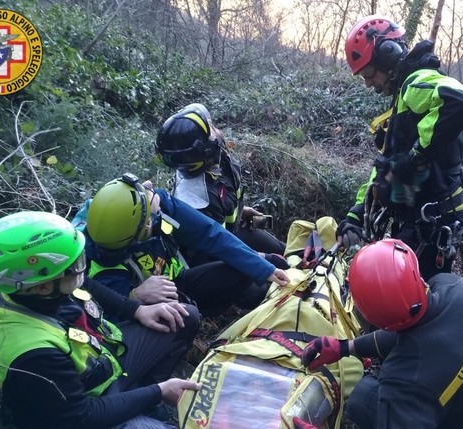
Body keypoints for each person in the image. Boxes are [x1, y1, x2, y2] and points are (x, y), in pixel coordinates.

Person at [0, 211, 201, 429]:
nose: (81, 272)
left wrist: (136, 310)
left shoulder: (24, 288)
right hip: (88, 410)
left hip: (103, 367)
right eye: (75, 267)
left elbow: (86, 284)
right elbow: (82, 418)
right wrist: (159, 392)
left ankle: (139, 396)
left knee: (182, 317)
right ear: (43, 286)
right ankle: (143, 401)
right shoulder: (34, 355)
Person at [337, 15, 463, 281]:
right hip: (418, 223)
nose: (368, 83)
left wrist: (417, 156)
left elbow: (457, 98)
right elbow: (384, 164)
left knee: (415, 304)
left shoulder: (417, 82)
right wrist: (357, 213)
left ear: (387, 54)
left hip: (430, 225)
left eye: (368, 73)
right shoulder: (403, 102)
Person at [73, 173, 290, 317]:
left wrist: (264, 267)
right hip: (158, 304)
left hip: (180, 278)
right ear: (141, 228)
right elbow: (103, 315)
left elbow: (209, 233)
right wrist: (134, 297)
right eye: (148, 199)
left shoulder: (147, 205)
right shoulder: (100, 267)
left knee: (243, 268)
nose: (152, 192)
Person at [300, 238, 463, 428]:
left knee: (362, 398)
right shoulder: (450, 285)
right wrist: (346, 347)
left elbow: (407, 332)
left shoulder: (404, 381)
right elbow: (418, 328)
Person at [154, 102, 287, 264]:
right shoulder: (196, 201)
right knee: (281, 266)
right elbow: (214, 252)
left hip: (234, 231)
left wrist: (240, 210)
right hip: (218, 257)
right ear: (206, 149)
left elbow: (222, 202)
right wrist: (263, 259)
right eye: (212, 129)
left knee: (285, 248)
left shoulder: (215, 161)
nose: (218, 130)